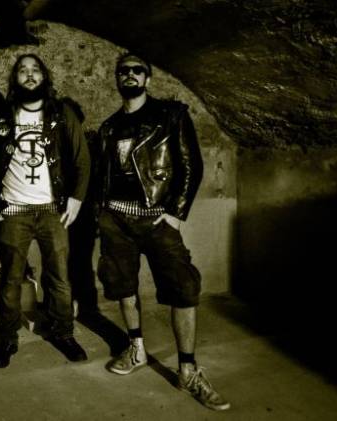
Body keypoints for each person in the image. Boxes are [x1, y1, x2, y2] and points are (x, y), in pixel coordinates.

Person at [95, 52, 230, 411]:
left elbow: (190, 165)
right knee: (123, 286)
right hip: (115, 219)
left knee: (183, 288)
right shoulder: (109, 127)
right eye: (123, 71)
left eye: (137, 70)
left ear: (148, 78)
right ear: (117, 78)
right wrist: (101, 214)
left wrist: (175, 213)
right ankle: (136, 348)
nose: (130, 75)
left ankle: (188, 370)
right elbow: (101, 176)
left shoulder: (170, 116)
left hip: (158, 219)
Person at [0, 53, 90, 368]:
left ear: (44, 77)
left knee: (60, 278)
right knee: (11, 279)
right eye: (22, 70)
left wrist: (76, 198)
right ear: (15, 79)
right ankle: (7, 339)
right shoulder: (3, 117)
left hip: (53, 210)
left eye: (35, 70)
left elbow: (82, 159)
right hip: (14, 210)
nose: (29, 75)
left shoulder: (61, 113)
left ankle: (63, 332)